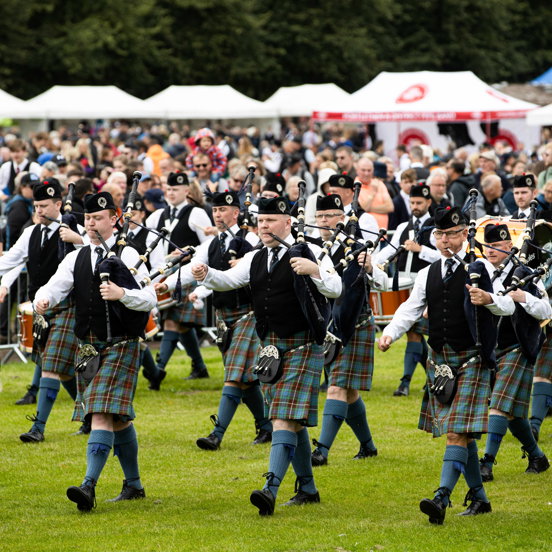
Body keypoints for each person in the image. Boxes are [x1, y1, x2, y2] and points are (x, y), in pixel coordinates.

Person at [192, 196, 341, 516]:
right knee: (292, 420)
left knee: (283, 418)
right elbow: (229, 279)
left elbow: (335, 287)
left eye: (270, 221)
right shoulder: (257, 257)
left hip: (303, 346)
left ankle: (270, 488)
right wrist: (206, 274)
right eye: (260, 221)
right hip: (271, 347)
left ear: (288, 223)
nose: (263, 226)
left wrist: (315, 270)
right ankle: (308, 489)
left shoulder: (308, 250)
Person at [378, 206, 514, 524]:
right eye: (439, 234)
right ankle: (479, 498)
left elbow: (508, 305)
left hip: (473, 359)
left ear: (465, 233)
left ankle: (442, 496)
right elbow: (411, 309)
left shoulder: (480, 266)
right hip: (441, 362)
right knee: (462, 433)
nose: (445, 240)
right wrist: (389, 333)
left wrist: (490, 299)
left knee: (455, 432)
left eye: (452, 234)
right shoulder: (429, 273)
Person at [33, 191, 156, 511]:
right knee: (118, 420)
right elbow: (54, 287)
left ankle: (88, 486)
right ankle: (134, 485)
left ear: (115, 218)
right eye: (88, 219)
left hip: (122, 345)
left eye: (98, 218)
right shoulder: (76, 257)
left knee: (100, 412)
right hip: (89, 348)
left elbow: (149, 299)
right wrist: (42, 301)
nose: (91, 224)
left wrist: (121, 294)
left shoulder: (128, 255)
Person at [158, 191, 272, 448]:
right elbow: (195, 266)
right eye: (215, 210)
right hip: (224, 316)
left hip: (249, 314)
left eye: (223, 210)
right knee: (246, 379)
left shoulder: (252, 239)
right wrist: (169, 283)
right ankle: (267, 427)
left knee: (234, 376)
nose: (218, 214)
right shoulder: (212, 243)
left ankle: (216, 434)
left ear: (236, 213)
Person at [0, 181, 84, 441]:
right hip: (39, 308)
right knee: (63, 369)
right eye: (36, 206)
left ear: (58, 204)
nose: (39, 210)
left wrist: (78, 240)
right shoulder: (30, 233)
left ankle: (38, 428)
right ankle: (90, 415)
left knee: (50, 366)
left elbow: (100, 253)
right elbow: (10, 261)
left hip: (68, 307)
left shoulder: (74, 228)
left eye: (44, 206)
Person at [310, 194, 386, 466]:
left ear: (341, 218)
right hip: (327, 326)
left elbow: (384, 282)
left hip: (353, 324)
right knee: (349, 391)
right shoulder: (315, 249)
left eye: (329, 216)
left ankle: (321, 451)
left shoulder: (358, 248)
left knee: (337, 387)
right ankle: (368, 446)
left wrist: (370, 267)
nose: (323, 222)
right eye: (319, 217)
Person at [478, 224, 550, 481]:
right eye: (488, 246)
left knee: (498, 405)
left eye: (497, 246)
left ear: (510, 245)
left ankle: (486, 463)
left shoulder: (526, 273)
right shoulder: (484, 273)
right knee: (513, 414)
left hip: (518, 347)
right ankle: (537, 457)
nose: (492, 251)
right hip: (492, 349)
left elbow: (546, 311)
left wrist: (523, 298)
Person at [146, 171, 213, 382]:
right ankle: (200, 367)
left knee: (173, 322)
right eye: (169, 189)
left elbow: (208, 245)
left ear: (186, 190)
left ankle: (158, 370)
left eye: (176, 189)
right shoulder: (156, 216)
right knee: (180, 324)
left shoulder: (197, 213)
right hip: (165, 274)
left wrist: (191, 256)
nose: (171, 193)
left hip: (188, 273)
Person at [374, 184, 440, 396]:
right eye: (412, 203)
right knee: (414, 333)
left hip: (427, 286)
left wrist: (421, 249)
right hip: (404, 284)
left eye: (419, 203)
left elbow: (444, 258)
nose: (415, 207)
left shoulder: (436, 227)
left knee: (415, 334)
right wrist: (372, 263)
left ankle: (405, 382)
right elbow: (390, 250)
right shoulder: (403, 227)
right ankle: (427, 378)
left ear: (428, 202)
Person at [328, 173, 379, 242]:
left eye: (334, 191)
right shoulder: (326, 215)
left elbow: (372, 245)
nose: (330, 195)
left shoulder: (365, 218)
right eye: (330, 191)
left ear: (348, 192)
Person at [356, 157, 394, 229]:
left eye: (369, 170)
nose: (366, 173)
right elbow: (362, 209)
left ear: (373, 170)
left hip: (382, 233)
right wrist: (372, 192)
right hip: (365, 233)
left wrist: (368, 209)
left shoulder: (379, 184)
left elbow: (390, 207)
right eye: (363, 170)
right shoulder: (354, 186)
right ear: (357, 170)